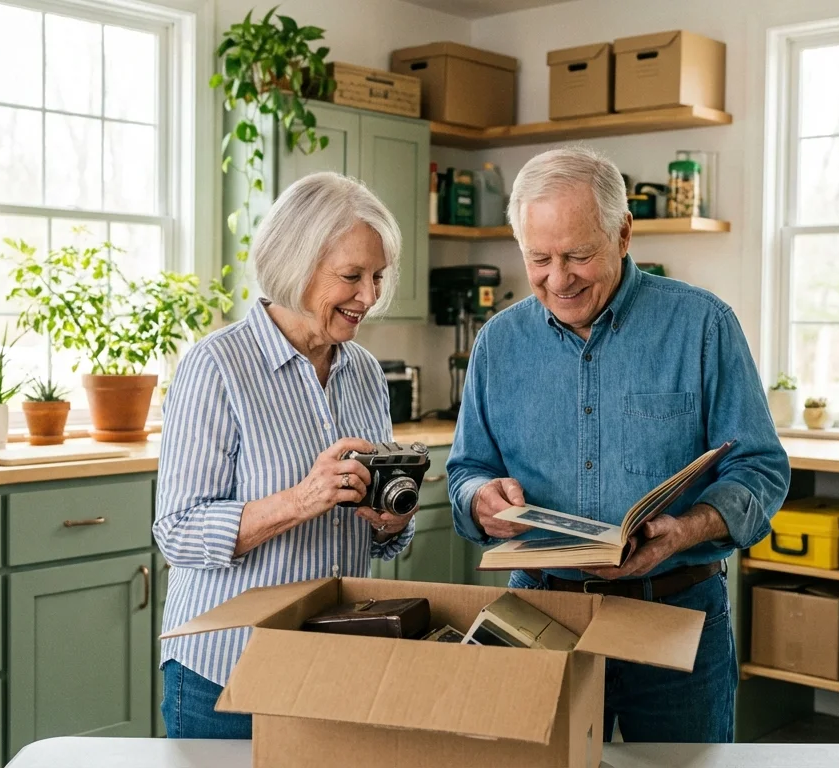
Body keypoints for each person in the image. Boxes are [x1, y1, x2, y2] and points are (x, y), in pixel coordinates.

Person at [446, 146, 790, 743]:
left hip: (676, 614)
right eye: (540, 258)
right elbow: (466, 470)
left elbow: (760, 469)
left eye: (579, 255)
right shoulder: (497, 343)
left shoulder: (703, 326)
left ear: (623, 233)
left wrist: (688, 528)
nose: (559, 279)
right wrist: (479, 498)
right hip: (539, 614)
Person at [154, 171, 417, 739]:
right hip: (224, 672)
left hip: (337, 668)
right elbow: (176, 531)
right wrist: (301, 499)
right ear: (297, 264)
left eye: (377, 276)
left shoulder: (366, 373)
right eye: (351, 276)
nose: (369, 296)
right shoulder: (217, 367)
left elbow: (380, 538)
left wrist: (389, 521)